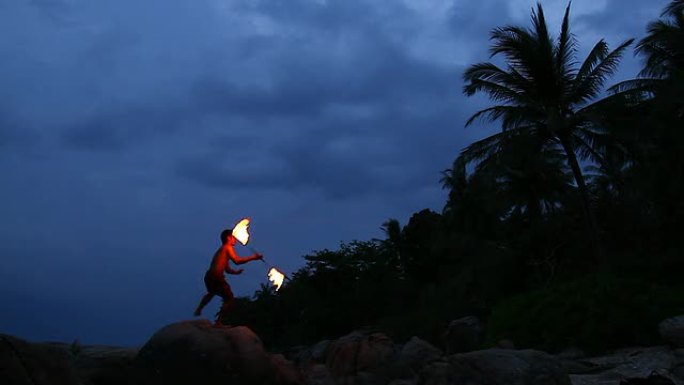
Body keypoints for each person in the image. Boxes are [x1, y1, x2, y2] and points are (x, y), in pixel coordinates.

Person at [194, 228, 262, 326]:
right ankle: (218, 322)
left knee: (211, 292)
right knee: (229, 298)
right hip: (216, 276)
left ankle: (199, 309)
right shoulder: (227, 247)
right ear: (228, 238)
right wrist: (253, 258)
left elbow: (227, 269)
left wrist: (236, 272)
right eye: (234, 238)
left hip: (209, 276)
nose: (235, 240)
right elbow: (237, 261)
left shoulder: (222, 250)